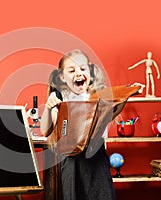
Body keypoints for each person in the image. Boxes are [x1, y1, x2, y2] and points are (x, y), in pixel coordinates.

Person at [40, 49, 115, 200]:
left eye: (83, 68)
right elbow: (45, 130)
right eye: (72, 70)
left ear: (90, 72)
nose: (79, 73)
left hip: (96, 159)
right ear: (62, 76)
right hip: (72, 162)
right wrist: (48, 108)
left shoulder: (98, 96)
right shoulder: (59, 97)